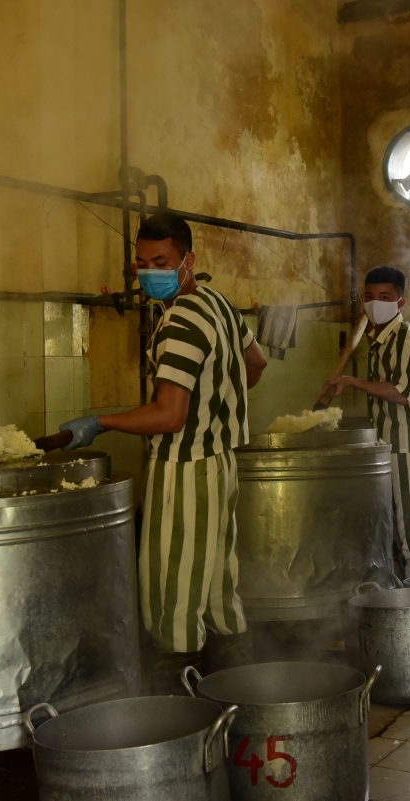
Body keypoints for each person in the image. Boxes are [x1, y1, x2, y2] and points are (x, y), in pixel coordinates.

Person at [59, 212, 268, 689]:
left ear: (187, 260)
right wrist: (218, 401)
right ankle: (239, 709)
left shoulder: (182, 322)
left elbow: (169, 415)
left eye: (161, 261)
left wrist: (101, 421)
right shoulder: (217, 303)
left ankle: (179, 724)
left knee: (171, 600)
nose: (149, 271)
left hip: (184, 470)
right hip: (221, 467)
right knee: (218, 594)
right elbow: (256, 362)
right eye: (141, 262)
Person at [322, 265, 410, 577]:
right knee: (392, 529)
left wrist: (351, 381)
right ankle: (401, 597)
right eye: (369, 297)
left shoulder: (407, 339)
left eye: (384, 296)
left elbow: (401, 393)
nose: (374, 303)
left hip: (408, 447)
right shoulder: (378, 339)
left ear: (401, 302)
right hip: (385, 446)